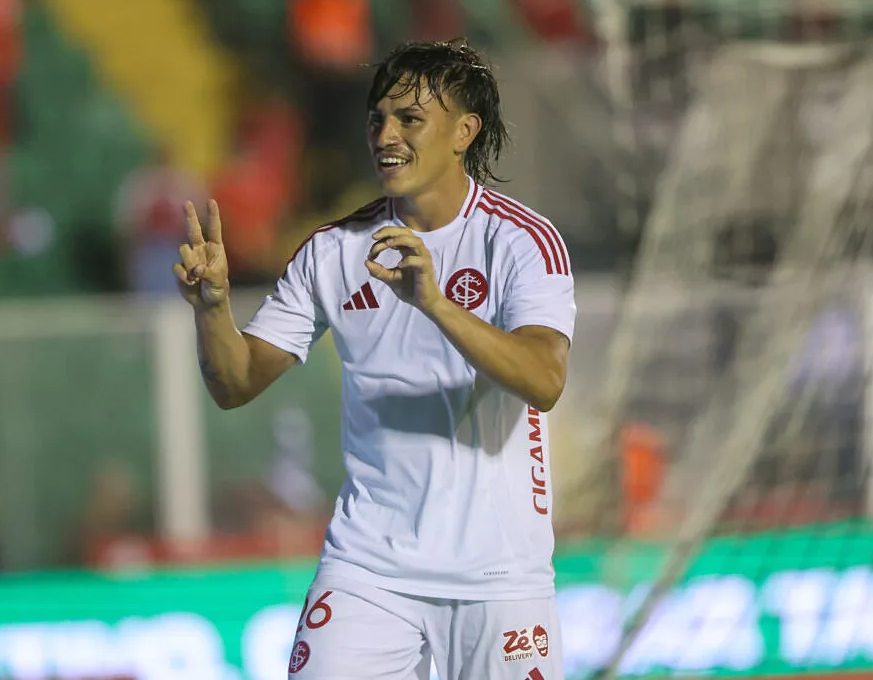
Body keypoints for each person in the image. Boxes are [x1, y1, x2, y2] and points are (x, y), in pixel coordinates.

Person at [176, 40, 575, 680]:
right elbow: (237, 382)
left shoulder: (522, 241)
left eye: (409, 119)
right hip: (368, 568)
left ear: (464, 132)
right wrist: (212, 308)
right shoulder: (331, 251)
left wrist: (435, 304)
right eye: (377, 119)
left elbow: (545, 379)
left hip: (499, 575)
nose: (385, 135)